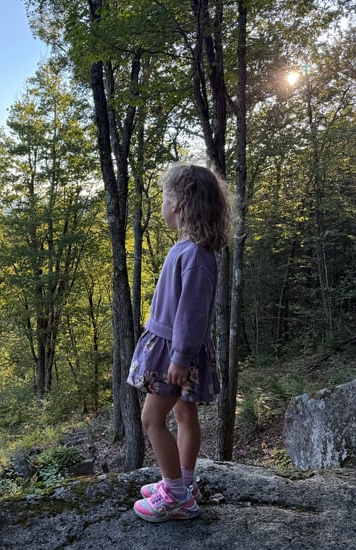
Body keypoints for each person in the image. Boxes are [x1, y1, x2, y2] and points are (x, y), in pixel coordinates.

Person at [127, 163, 232, 522]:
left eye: (164, 197)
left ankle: (174, 496)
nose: (161, 204)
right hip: (175, 349)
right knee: (183, 413)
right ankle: (184, 482)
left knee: (150, 419)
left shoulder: (195, 257)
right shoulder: (188, 249)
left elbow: (191, 314)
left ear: (179, 205)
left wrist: (181, 359)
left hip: (175, 351)